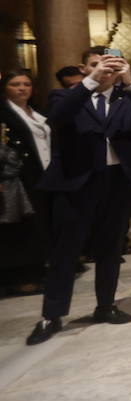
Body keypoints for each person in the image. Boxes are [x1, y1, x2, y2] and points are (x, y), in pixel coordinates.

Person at [27, 48, 131, 345]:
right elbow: (58, 118)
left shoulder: (127, 99)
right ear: (83, 68)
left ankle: (105, 305)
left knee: (111, 247)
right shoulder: (65, 96)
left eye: (108, 65)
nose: (103, 69)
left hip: (117, 182)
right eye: (95, 65)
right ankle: (52, 315)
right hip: (78, 183)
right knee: (66, 250)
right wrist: (91, 81)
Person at [2, 69, 51, 295]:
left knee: (42, 221)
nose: (22, 88)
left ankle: (44, 266)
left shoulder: (38, 111)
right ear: (5, 88)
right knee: (23, 226)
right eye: (15, 84)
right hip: (18, 178)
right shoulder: (4, 114)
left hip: (45, 172)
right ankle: (22, 275)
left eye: (26, 84)